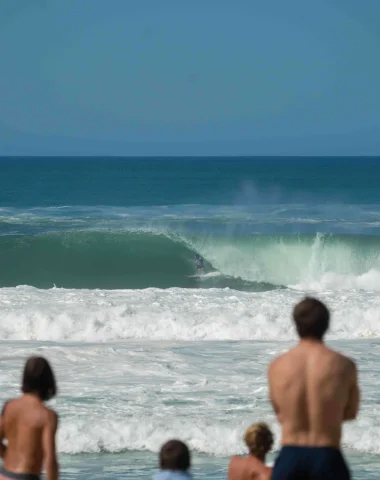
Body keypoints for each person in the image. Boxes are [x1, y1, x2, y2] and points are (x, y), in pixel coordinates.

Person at [268, 297, 359, 480]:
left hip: (290, 457)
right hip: (327, 456)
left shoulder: (277, 366)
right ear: (326, 324)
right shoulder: (344, 365)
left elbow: (280, 414)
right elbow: (350, 413)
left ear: (296, 324)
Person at [0, 356, 59, 480]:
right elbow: (50, 460)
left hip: (4, 474)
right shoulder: (47, 415)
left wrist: (7, 456)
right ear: (48, 381)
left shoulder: (10, 406)